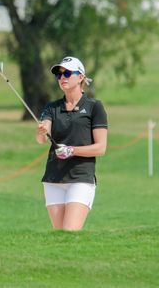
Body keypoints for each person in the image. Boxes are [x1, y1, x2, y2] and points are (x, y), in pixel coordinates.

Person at [36, 56, 108, 231]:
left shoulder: (94, 107)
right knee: (60, 236)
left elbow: (101, 148)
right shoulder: (52, 107)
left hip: (81, 178)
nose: (62, 78)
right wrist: (42, 131)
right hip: (53, 179)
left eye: (67, 73)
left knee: (70, 232)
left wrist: (71, 150)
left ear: (81, 77)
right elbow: (42, 139)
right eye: (59, 75)